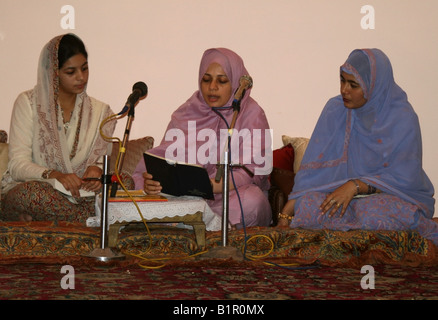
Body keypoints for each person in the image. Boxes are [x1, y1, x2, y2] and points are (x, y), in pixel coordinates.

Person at [277, 48, 438, 246]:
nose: (344, 90)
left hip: (386, 197)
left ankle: (348, 231)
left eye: (354, 85)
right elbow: (312, 175)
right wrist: (285, 214)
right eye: (342, 80)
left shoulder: (402, 118)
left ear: (374, 86)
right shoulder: (335, 110)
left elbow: (405, 177)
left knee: (374, 213)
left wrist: (355, 186)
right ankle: (354, 233)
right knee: (309, 206)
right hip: (339, 196)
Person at [132, 48, 272, 229]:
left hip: (230, 196)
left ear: (237, 83)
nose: (212, 87)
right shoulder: (186, 112)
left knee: (253, 202)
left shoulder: (251, 114)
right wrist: (152, 183)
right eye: (206, 80)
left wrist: (211, 186)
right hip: (189, 198)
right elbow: (165, 161)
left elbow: (254, 170)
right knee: (154, 203)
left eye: (222, 81)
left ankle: (199, 226)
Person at [1, 33, 116, 223]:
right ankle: (91, 219)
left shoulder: (100, 112)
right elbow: (17, 165)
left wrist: (96, 171)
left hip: (82, 196)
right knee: (33, 194)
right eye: (71, 72)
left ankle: (58, 218)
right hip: (40, 190)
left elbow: (100, 162)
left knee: (124, 183)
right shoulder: (28, 103)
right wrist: (55, 175)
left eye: (85, 69)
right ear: (53, 73)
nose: (81, 77)